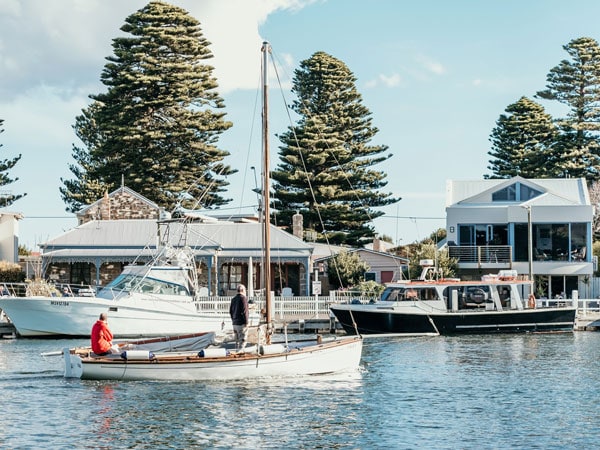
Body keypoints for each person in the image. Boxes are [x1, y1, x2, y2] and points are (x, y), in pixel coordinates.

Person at [229, 284, 249, 351]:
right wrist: (246, 322)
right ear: (243, 290)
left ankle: (236, 351)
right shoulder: (243, 298)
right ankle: (241, 353)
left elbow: (231, 311)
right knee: (242, 340)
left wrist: (233, 320)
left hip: (235, 323)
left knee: (237, 341)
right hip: (241, 323)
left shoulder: (233, 299)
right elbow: (245, 311)